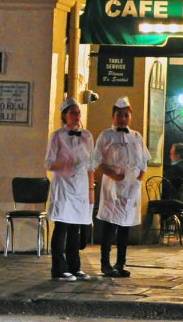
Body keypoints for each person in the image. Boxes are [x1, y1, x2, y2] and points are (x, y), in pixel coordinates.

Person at [94, 96, 149, 278]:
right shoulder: (106, 136)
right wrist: (112, 175)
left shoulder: (136, 136)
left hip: (132, 187)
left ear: (130, 116)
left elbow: (143, 161)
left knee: (126, 226)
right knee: (111, 225)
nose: (123, 118)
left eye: (126, 115)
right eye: (119, 115)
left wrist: (139, 179)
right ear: (113, 116)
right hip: (113, 186)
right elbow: (97, 161)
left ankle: (120, 263)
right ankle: (105, 264)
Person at [45, 98, 95, 280]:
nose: (76, 116)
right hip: (64, 187)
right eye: (73, 112)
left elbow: (91, 165)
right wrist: (64, 164)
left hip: (80, 187)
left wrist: (91, 190)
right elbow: (48, 163)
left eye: (78, 112)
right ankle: (58, 268)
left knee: (76, 228)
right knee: (62, 226)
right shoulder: (57, 136)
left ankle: (75, 266)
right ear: (64, 116)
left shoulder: (87, 137)